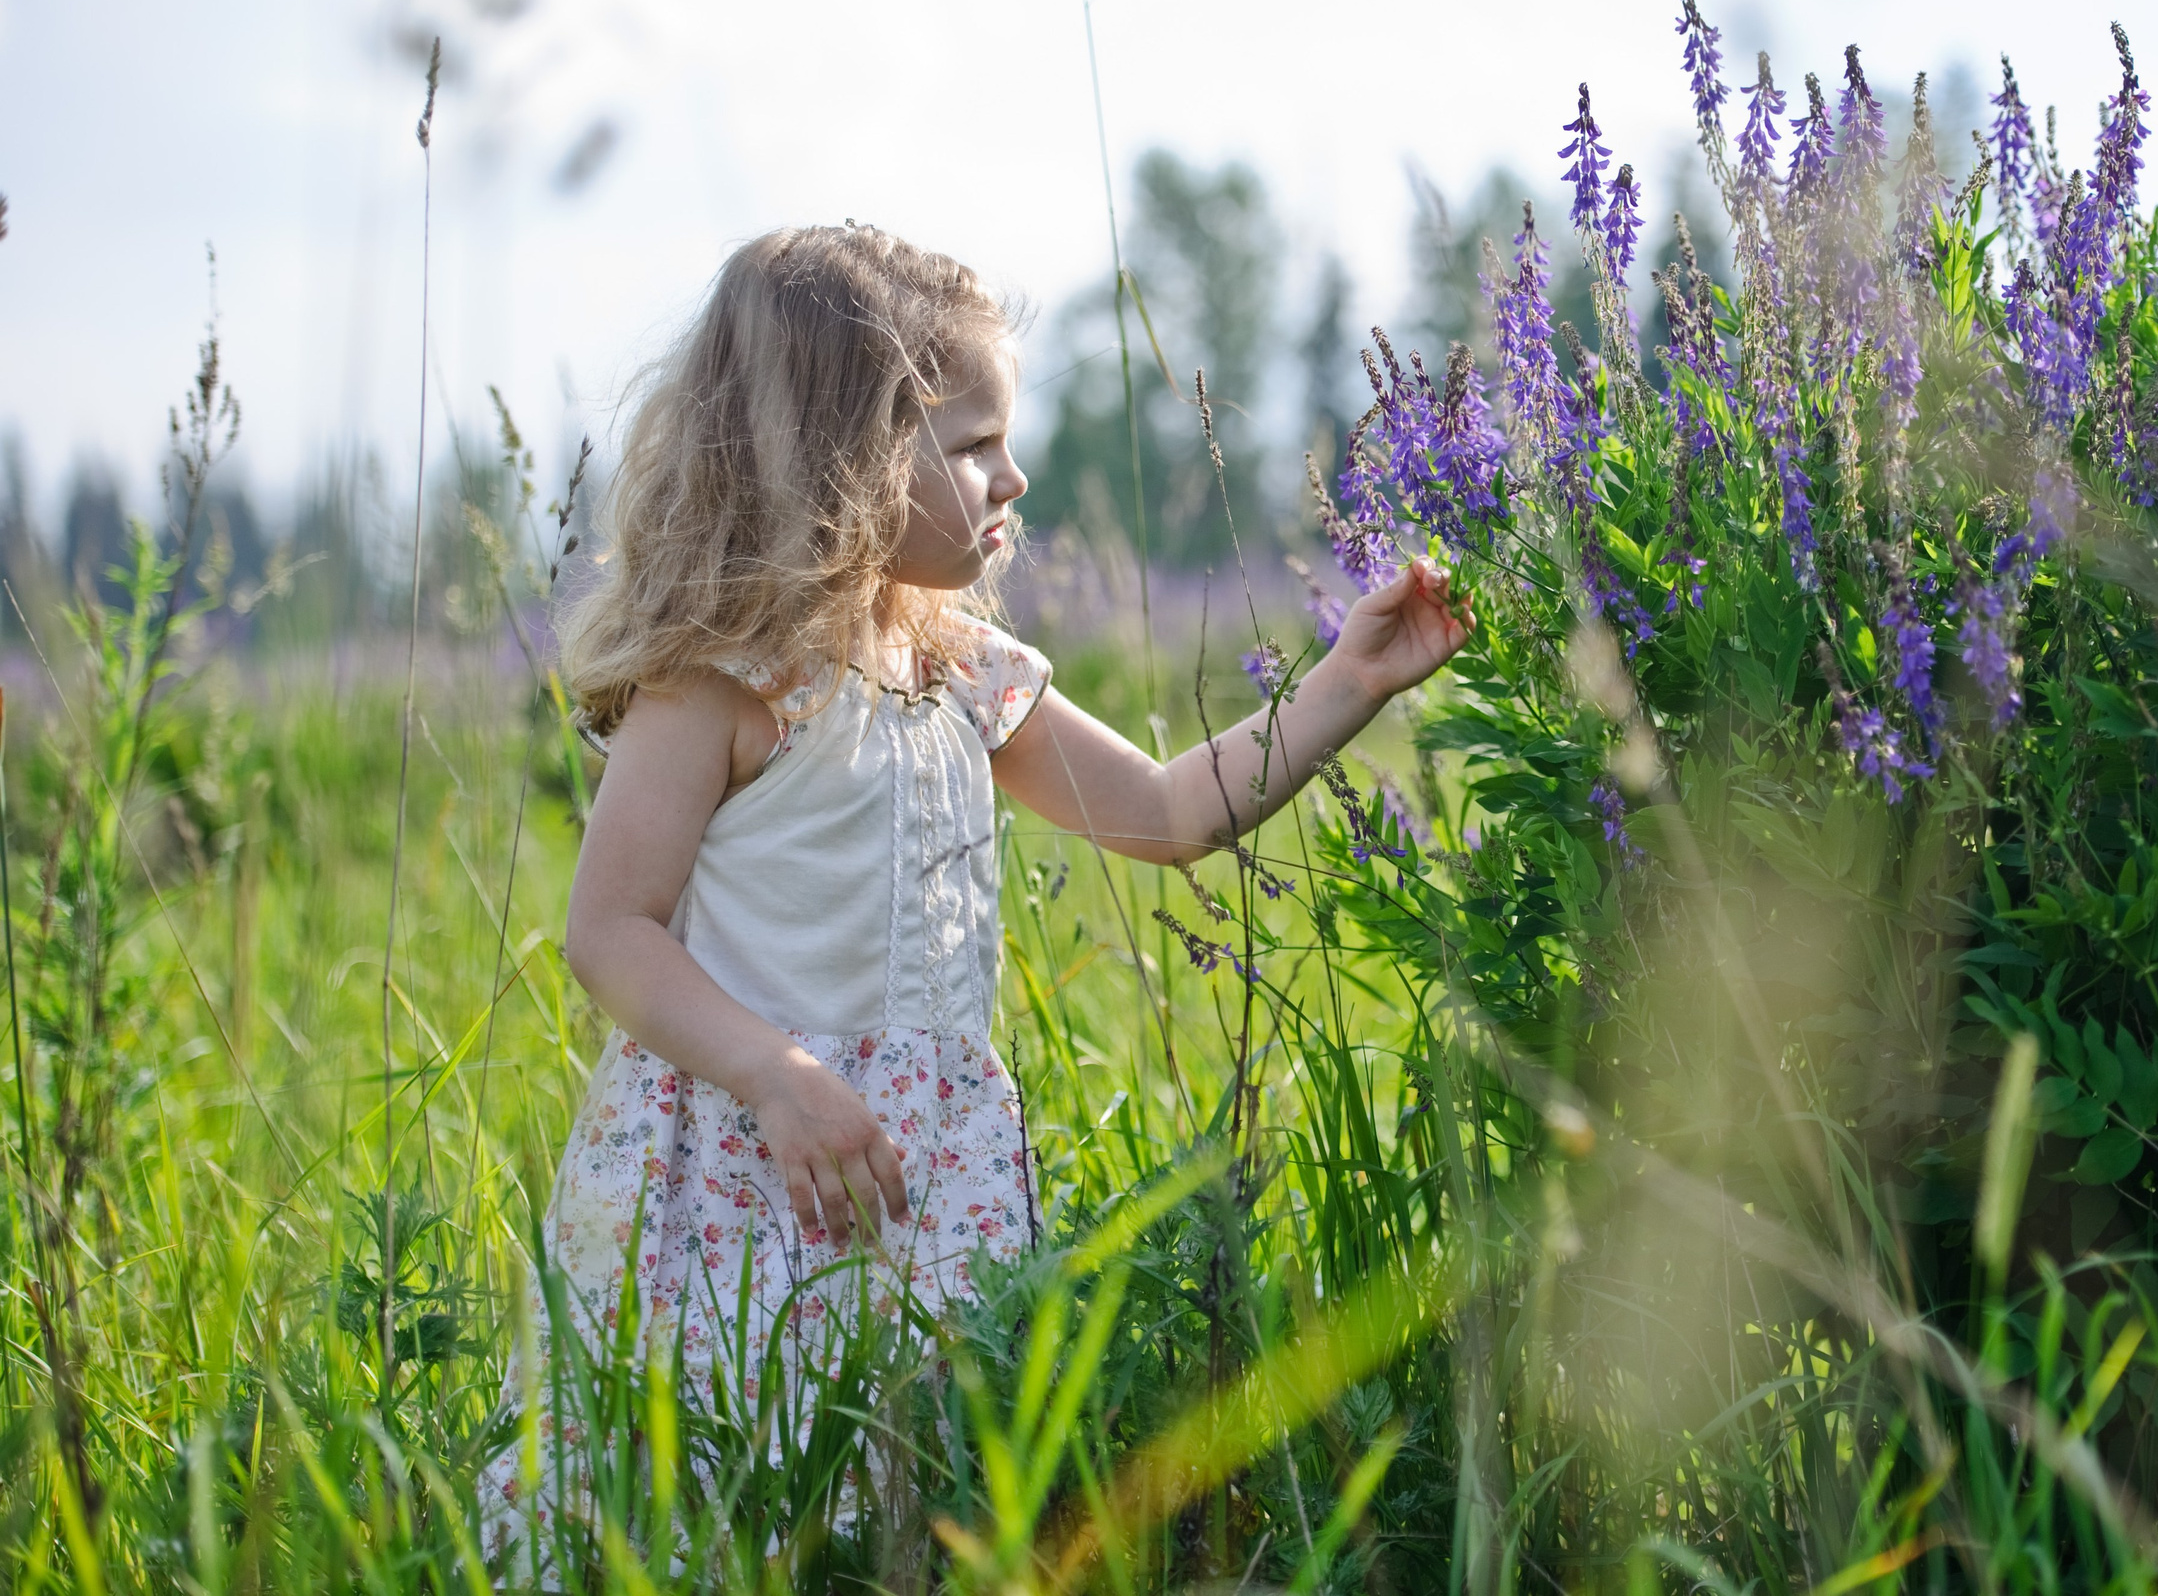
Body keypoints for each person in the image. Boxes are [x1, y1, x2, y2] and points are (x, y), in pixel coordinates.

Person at [479, 223, 1468, 1558]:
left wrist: (1349, 680)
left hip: (921, 1167)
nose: (1015, 473)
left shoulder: (968, 670)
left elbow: (1174, 813)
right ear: (844, 458)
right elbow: (609, 930)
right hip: (744, 1164)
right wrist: (776, 1075)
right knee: (732, 1488)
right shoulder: (722, 679)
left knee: (908, 1498)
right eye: (969, 444)